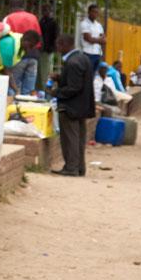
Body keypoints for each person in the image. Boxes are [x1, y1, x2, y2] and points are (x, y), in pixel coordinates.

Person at [54, 34, 95, 177]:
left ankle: (71, 167)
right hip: (82, 106)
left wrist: (56, 93)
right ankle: (79, 167)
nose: (57, 49)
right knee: (79, 138)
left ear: (65, 44)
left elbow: (73, 87)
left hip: (71, 106)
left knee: (70, 137)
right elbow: (79, 81)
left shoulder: (72, 63)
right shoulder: (83, 58)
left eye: (58, 45)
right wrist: (60, 78)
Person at [9, 31, 42, 95]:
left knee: (14, 84)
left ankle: (14, 101)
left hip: (20, 59)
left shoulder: (15, 38)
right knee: (28, 89)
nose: (30, 49)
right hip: (34, 58)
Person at [80, 4, 106, 68]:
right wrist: (99, 40)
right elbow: (88, 39)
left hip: (98, 53)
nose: (95, 14)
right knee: (88, 73)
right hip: (87, 53)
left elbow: (104, 40)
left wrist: (94, 39)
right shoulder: (84, 23)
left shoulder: (99, 25)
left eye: (97, 12)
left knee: (95, 75)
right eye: (93, 12)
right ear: (89, 12)